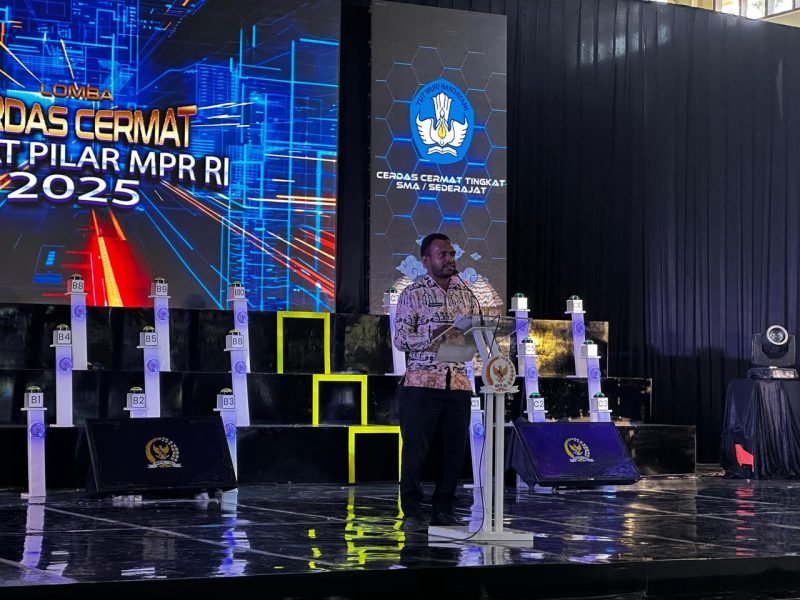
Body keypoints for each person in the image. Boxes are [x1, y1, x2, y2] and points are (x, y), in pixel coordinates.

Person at [393, 232, 479, 528]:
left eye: (452, 254)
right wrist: (431, 334)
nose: (449, 259)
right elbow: (400, 339)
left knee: (454, 451)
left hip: (457, 383)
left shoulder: (466, 294)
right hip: (421, 383)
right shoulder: (412, 294)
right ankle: (413, 509)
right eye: (442, 254)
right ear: (426, 260)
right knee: (417, 450)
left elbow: (480, 332)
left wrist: (476, 337)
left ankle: (444, 507)